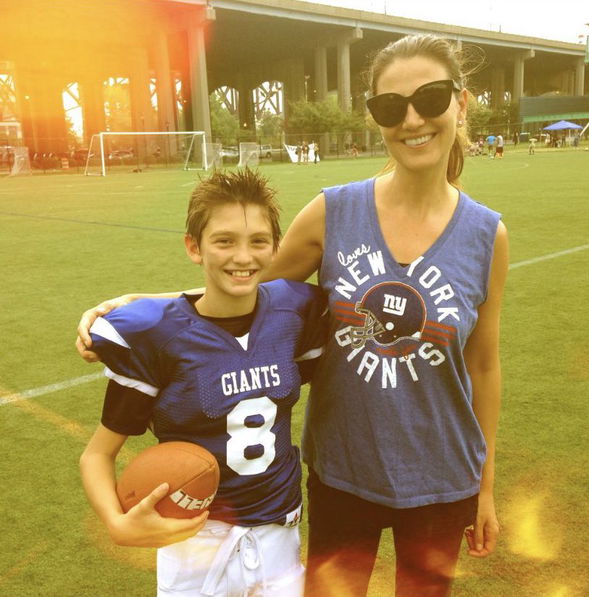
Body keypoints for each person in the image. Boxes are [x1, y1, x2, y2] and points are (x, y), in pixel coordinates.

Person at [78, 34, 507, 597]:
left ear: (461, 102)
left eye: (430, 98)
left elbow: (483, 366)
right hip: (342, 472)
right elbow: (246, 280)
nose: (412, 119)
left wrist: (485, 483)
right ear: (375, 116)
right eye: (389, 106)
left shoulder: (486, 235)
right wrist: (151, 303)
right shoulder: (335, 211)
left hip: (444, 477)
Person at [79, 168, 327, 597]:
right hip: (193, 536)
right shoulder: (157, 334)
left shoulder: (296, 310)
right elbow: (97, 455)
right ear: (195, 246)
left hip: (277, 533)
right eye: (224, 240)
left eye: (258, 241)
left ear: (275, 248)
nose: (243, 256)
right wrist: (116, 523)